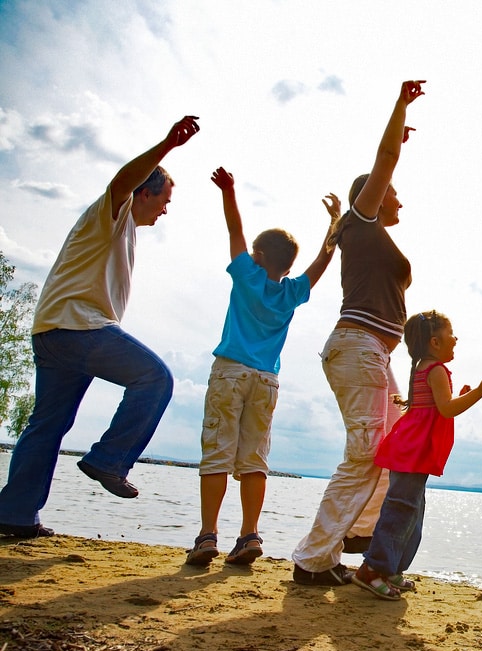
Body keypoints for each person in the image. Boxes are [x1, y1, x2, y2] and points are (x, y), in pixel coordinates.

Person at [0, 116, 201, 539]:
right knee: (155, 378)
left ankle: (14, 514)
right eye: (164, 199)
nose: (166, 210)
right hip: (78, 327)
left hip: (53, 330)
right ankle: (109, 459)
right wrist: (166, 145)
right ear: (143, 193)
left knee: (48, 424)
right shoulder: (114, 210)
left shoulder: (122, 227)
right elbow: (123, 180)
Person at [292, 80, 424, 586]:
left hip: (374, 354)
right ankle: (312, 559)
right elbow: (386, 156)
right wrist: (399, 105)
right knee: (366, 456)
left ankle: (363, 551)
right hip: (358, 348)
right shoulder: (362, 222)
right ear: (370, 197)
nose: (399, 199)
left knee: (387, 455)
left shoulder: (370, 236)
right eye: (391, 192)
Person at [184, 168, 340, 567]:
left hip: (231, 371)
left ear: (260, 257)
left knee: (217, 454)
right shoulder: (292, 291)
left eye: (254, 252)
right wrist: (334, 224)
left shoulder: (247, 276)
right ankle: (249, 534)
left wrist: (229, 191)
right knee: (254, 459)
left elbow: (233, 228)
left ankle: (207, 536)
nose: (249, 254)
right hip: (267, 380)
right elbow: (322, 262)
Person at [352, 311, 482, 600]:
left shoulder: (425, 367)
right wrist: (479, 392)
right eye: (451, 334)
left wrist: (463, 394)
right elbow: (447, 409)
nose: (456, 339)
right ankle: (372, 569)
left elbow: (436, 404)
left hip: (412, 451)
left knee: (410, 514)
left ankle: (390, 569)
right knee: (400, 512)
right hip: (413, 452)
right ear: (434, 342)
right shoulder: (436, 370)